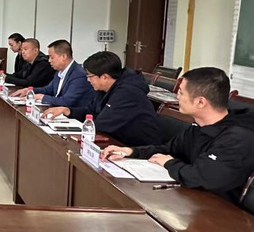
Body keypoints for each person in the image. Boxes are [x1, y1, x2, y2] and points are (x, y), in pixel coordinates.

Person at [102, 67, 254, 205]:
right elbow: (169, 150)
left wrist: (169, 163)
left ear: (201, 102)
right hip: (191, 199)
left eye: (181, 92)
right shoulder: (199, 126)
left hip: (221, 211)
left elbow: (203, 177)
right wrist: (131, 151)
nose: (177, 97)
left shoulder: (238, 137)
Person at [42, 51, 161, 146]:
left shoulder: (127, 93)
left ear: (104, 77)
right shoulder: (104, 88)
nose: (88, 80)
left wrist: (70, 130)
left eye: (90, 76)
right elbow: (90, 111)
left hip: (138, 147)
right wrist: (67, 111)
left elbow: (102, 124)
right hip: (117, 141)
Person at [11, 40, 93, 108]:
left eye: (52, 57)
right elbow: (48, 90)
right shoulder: (59, 71)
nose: (49, 60)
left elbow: (66, 101)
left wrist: (42, 97)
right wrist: (29, 91)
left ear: (63, 57)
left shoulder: (78, 74)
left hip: (74, 116)